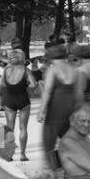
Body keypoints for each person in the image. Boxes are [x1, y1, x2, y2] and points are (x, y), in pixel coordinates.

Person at [36, 43, 82, 172]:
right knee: (71, 143)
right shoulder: (73, 69)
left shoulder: (53, 69)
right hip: (71, 110)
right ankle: (73, 170)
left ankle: (52, 172)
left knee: (48, 145)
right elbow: (79, 93)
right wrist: (79, 111)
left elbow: (47, 91)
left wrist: (41, 110)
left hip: (55, 111)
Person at [0, 49, 34, 161]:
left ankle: (9, 155)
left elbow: (1, 84)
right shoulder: (26, 70)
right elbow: (33, 84)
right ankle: (22, 154)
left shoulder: (6, 70)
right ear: (22, 58)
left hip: (9, 99)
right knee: (23, 128)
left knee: (10, 128)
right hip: (23, 99)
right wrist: (27, 90)